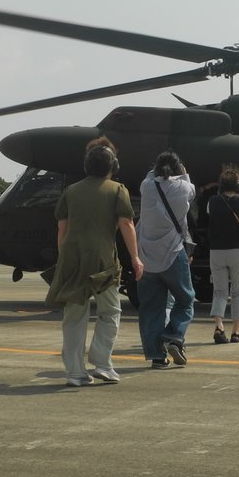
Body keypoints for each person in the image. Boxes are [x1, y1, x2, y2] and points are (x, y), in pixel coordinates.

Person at [44, 137, 144, 386]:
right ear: (114, 166)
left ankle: (75, 372)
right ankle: (102, 362)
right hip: (102, 261)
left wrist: (64, 258)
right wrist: (135, 258)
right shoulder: (117, 190)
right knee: (110, 311)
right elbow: (126, 224)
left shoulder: (71, 191)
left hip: (72, 258)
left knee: (75, 315)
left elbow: (61, 229)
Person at [136, 150, 197, 368]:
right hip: (173, 254)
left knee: (151, 307)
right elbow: (190, 187)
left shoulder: (147, 186)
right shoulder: (184, 188)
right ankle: (174, 336)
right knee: (185, 299)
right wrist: (183, 171)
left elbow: (150, 175)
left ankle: (157, 357)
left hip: (147, 256)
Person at [206, 166, 239, 344]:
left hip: (217, 250)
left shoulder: (213, 201)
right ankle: (236, 331)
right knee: (237, 292)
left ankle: (219, 326)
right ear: (238, 184)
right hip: (238, 249)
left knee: (219, 291)